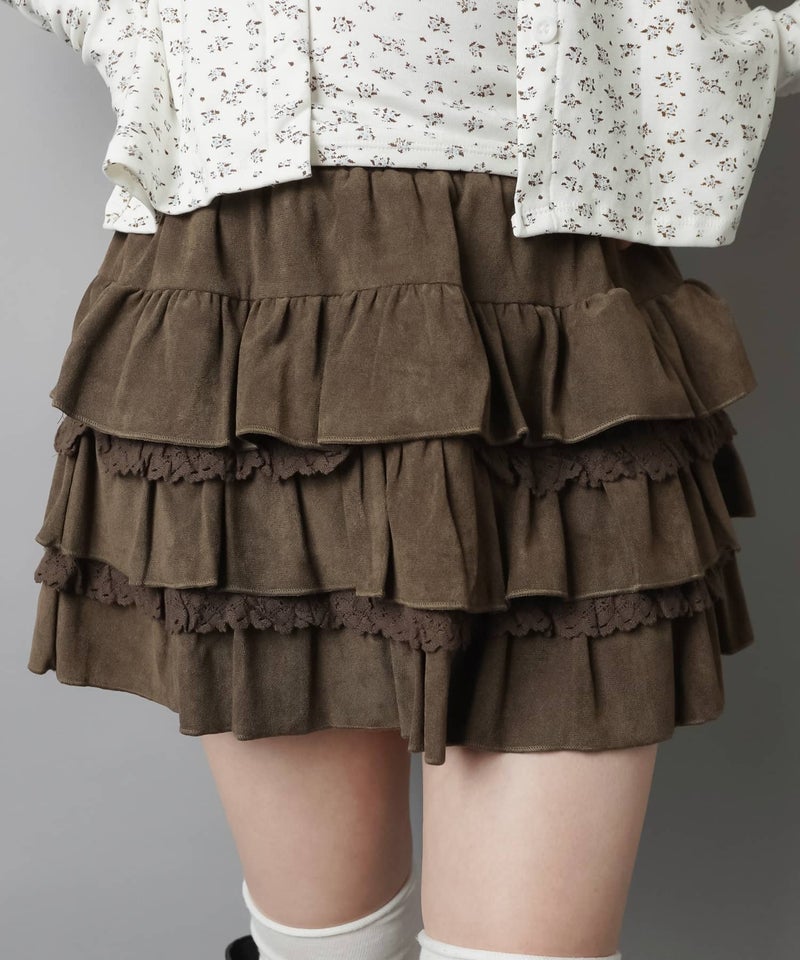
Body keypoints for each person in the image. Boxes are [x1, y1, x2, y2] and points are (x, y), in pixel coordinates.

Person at [6, 1, 797, 958]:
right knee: (325, 947)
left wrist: (705, 55)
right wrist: (150, 36)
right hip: (247, 303)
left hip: (549, 304)